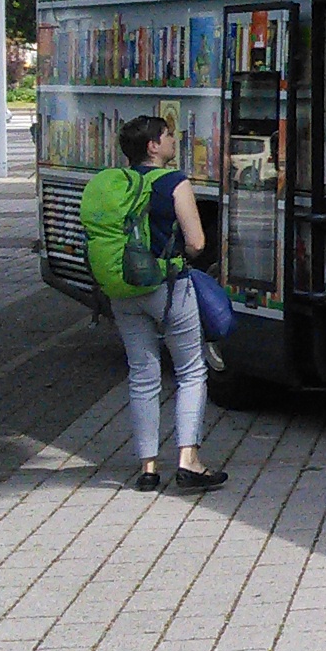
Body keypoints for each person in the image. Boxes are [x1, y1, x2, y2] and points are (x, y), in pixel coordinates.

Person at [107, 115, 228, 494]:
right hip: (167, 286)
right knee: (191, 370)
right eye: (168, 136)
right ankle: (188, 461)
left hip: (123, 288)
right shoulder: (175, 183)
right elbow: (196, 243)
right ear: (153, 147)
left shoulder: (115, 183)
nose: (173, 141)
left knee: (142, 375)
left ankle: (147, 467)